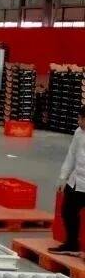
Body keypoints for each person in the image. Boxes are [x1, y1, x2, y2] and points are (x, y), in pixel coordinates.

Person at [51, 107, 85, 255]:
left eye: (81, 119)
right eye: (79, 118)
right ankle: (72, 244)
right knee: (67, 211)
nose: (79, 122)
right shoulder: (79, 133)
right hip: (76, 180)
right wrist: (63, 177)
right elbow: (71, 155)